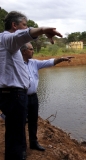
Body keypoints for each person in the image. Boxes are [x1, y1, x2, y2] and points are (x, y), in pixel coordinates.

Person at [0, 11, 62, 160]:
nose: (26, 27)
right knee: (16, 134)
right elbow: (21, 35)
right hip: (15, 95)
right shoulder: (8, 38)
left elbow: (46, 62)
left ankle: (21, 153)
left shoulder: (8, 44)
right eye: (24, 25)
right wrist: (42, 30)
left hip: (12, 94)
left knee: (16, 131)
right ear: (14, 25)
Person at [20, 42, 74, 152]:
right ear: (24, 51)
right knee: (20, 123)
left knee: (33, 121)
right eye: (31, 49)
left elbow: (49, 62)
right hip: (21, 97)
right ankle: (22, 148)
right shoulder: (16, 64)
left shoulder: (34, 63)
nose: (33, 51)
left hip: (33, 97)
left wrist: (61, 59)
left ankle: (33, 143)